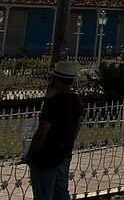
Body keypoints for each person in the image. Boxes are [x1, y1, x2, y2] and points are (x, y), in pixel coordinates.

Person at [25, 61, 83, 199]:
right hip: (64, 155)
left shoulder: (52, 103)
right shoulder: (76, 100)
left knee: (44, 194)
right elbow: (77, 127)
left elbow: (42, 132)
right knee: (61, 193)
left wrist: (30, 154)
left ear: (56, 79)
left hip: (46, 157)